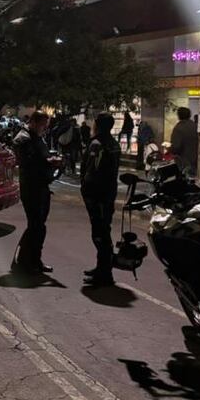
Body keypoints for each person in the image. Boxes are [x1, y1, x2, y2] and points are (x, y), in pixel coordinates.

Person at [12, 110, 61, 275]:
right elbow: (29, 163)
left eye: (45, 126)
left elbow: (40, 156)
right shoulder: (23, 139)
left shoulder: (36, 137)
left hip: (41, 187)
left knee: (38, 227)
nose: (44, 129)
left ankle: (32, 260)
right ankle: (25, 260)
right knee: (36, 226)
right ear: (33, 122)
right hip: (32, 188)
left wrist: (51, 161)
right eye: (42, 125)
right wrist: (49, 162)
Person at [81, 113, 121, 287]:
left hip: (98, 196)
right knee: (103, 231)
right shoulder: (114, 144)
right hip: (108, 194)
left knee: (100, 234)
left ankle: (105, 273)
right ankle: (101, 268)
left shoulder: (97, 144)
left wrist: (86, 191)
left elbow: (90, 172)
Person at [169, 107, 198, 177]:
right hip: (196, 160)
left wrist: (170, 149)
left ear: (179, 115)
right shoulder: (195, 126)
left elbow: (176, 147)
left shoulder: (179, 128)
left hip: (183, 162)